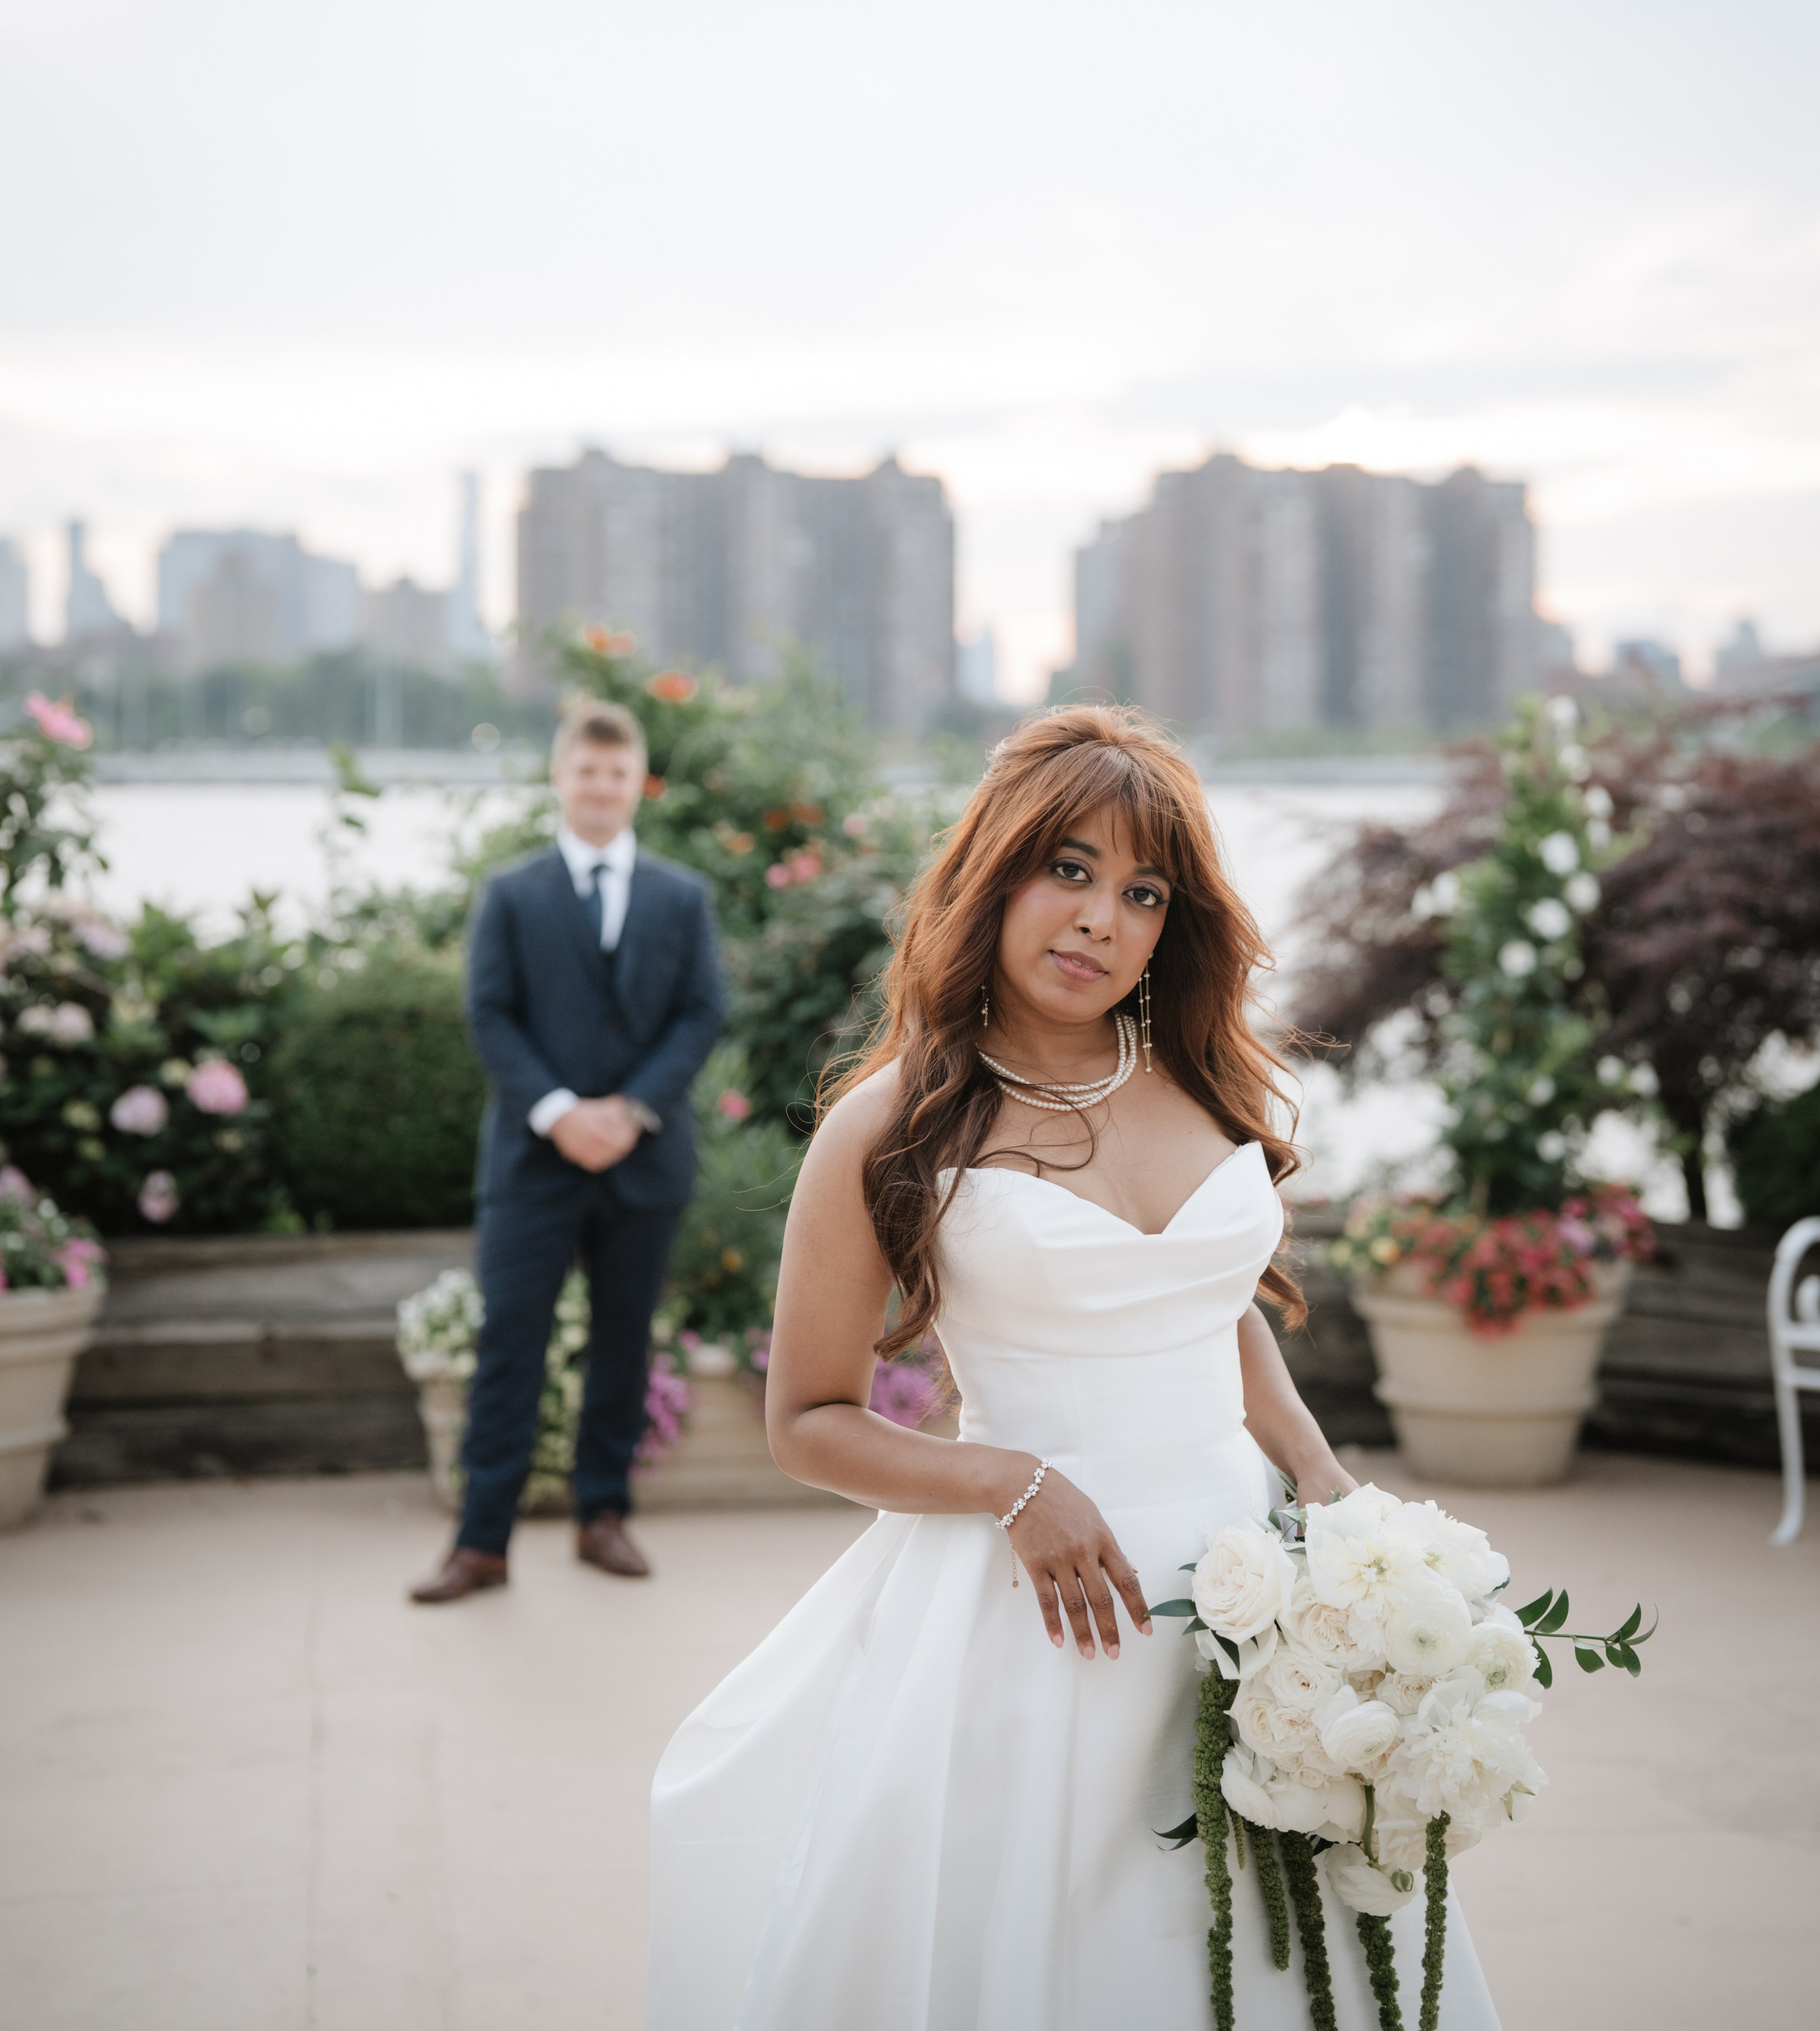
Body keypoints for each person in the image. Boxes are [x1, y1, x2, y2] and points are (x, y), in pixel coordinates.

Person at [646, 707, 1499, 2028]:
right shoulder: (890, 1125)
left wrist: (1329, 1490)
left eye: (1142, 891)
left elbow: (1210, 1306)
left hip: (1253, 1595)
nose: (1102, 918)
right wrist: (1010, 1482)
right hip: (1044, 1615)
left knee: (1275, 1944)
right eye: (1069, 869)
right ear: (994, 872)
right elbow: (806, 1420)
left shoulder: (1200, 1080)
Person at [411, 699, 723, 1604]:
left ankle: (603, 1516)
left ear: (637, 784)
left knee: (624, 1348)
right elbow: (490, 1013)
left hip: (644, 1159)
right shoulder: (510, 893)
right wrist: (559, 1112)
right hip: (531, 1162)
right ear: (562, 777)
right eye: (586, 770)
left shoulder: (682, 895)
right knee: (511, 1345)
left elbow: (700, 1012)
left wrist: (628, 1110)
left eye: (616, 772)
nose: (600, 786)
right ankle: (481, 1544)